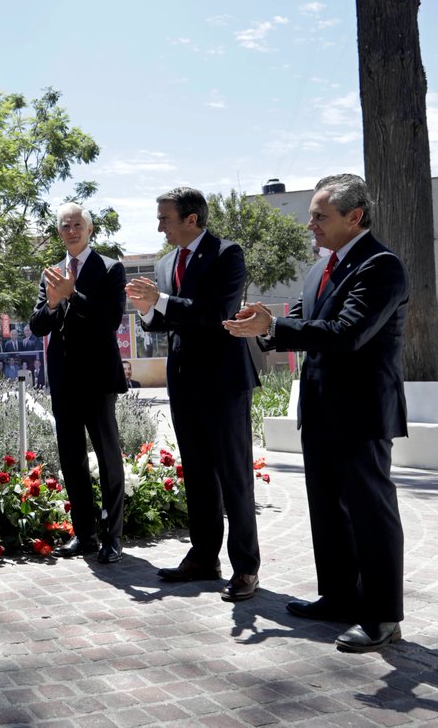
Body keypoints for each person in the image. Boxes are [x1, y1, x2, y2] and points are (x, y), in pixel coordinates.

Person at [225, 173, 407, 653]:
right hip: (321, 409)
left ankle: (384, 616)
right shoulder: (320, 269)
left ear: (354, 217)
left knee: (371, 514)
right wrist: (262, 326)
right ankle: (339, 597)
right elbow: (303, 323)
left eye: (319, 216)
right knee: (328, 511)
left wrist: (278, 326)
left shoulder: (381, 266)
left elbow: (346, 334)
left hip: (362, 412)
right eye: (311, 216)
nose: (310, 225)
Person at [127, 188, 261, 603]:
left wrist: (161, 300)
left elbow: (213, 311)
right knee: (198, 475)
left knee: (234, 477)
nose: (159, 226)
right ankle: (204, 557)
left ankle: (245, 568)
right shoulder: (166, 263)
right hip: (184, 381)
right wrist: (146, 308)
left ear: (191, 219)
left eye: (165, 218)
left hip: (223, 382)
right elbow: (161, 324)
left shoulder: (227, 253)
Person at [30, 203, 128, 564]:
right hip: (64, 380)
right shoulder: (51, 273)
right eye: (64, 225)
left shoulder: (110, 268)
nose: (71, 230)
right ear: (59, 232)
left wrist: (73, 295)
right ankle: (84, 534)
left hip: (99, 379)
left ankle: (112, 537)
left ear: (89, 230)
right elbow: (38, 325)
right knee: (71, 459)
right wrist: (53, 304)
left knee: (107, 458)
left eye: (77, 224)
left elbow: (110, 320)